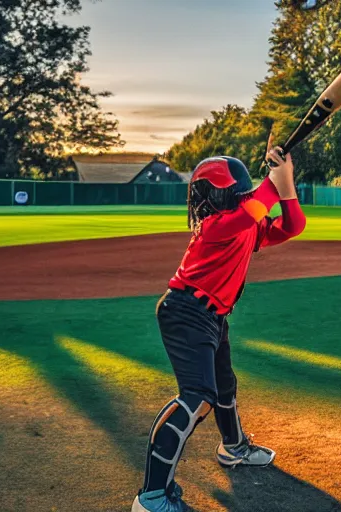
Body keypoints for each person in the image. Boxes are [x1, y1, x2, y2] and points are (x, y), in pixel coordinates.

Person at [132, 147, 306, 512]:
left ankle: (234, 447)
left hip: (211, 316)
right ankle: (150, 498)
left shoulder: (245, 226)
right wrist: (277, 181)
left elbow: (292, 226)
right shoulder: (216, 227)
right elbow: (252, 211)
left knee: (224, 386)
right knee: (197, 397)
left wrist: (285, 187)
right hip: (185, 311)